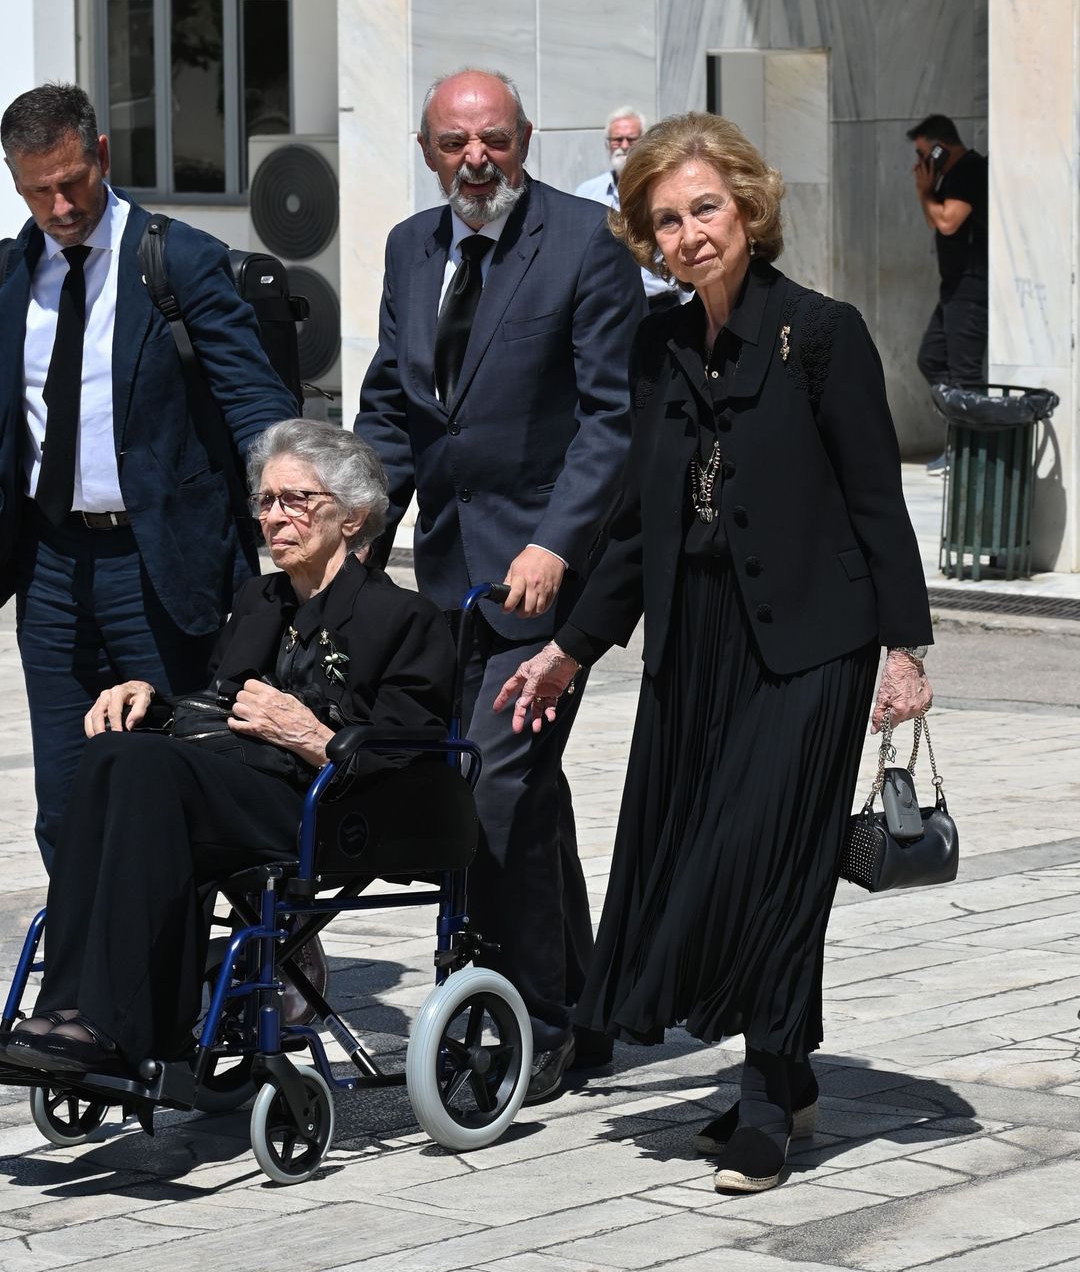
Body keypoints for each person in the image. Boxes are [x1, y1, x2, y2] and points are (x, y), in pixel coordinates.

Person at [495, 112, 935, 1193]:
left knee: (770, 869)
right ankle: (787, 1080)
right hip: (692, 649)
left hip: (810, 650)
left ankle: (762, 1098)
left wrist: (905, 650)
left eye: (706, 209)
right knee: (700, 863)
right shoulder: (658, 346)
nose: (690, 233)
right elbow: (635, 526)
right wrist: (570, 650)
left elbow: (877, 500)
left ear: (747, 209)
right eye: (667, 220)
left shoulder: (820, 334)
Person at [356, 68, 644, 1101]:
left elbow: (613, 418)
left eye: (494, 140)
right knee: (516, 783)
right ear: (427, 149)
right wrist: (351, 528)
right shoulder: (407, 249)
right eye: (452, 143)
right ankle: (583, 997)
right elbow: (392, 404)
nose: (476, 161)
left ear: (525, 137)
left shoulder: (585, 243)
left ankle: (533, 1015)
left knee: (497, 779)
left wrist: (558, 542)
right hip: (448, 572)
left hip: (550, 577)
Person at [1, 421, 455, 1075]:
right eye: (266, 501)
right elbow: (218, 704)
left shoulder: (406, 620)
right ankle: (68, 1012)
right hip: (230, 788)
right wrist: (152, 701)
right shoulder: (259, 598)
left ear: (352, 518)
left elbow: (407, 761)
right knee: (111, 749)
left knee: (144, 766)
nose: (274, 516)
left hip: (320, 807)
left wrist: (312, 735)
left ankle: (116, 1028)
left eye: (296, 500)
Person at [0, 83, 298, 871]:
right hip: (54, 567)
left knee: (169, 780)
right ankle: (82, 987)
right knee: (66, 800)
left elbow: (256, 404)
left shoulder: (178, 260)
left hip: (161, 565)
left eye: (73, 182)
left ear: (101, 155)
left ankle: (181, 980)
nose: (61, 206)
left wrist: (299, 513)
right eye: (39, 191)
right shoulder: (9, 277)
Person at [906, 113, 988, 472]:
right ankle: (960, 439)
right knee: (932, 359)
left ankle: (972, 454)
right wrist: (929, 191)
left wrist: (925, 191)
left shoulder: (970, 171)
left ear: (940, 149)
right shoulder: (949, 177)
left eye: (925, 154)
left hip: (972, 286)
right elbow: (934, 218)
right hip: (954, 287)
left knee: (965, 372)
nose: (920, 162)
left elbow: (948, 221)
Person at [576, 105, 680, 312]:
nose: (623, 146)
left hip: (663, 305)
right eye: (617, 139)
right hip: (610, 307)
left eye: (631, 139)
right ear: (608, 145)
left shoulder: (663, 190)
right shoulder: (586, 193)